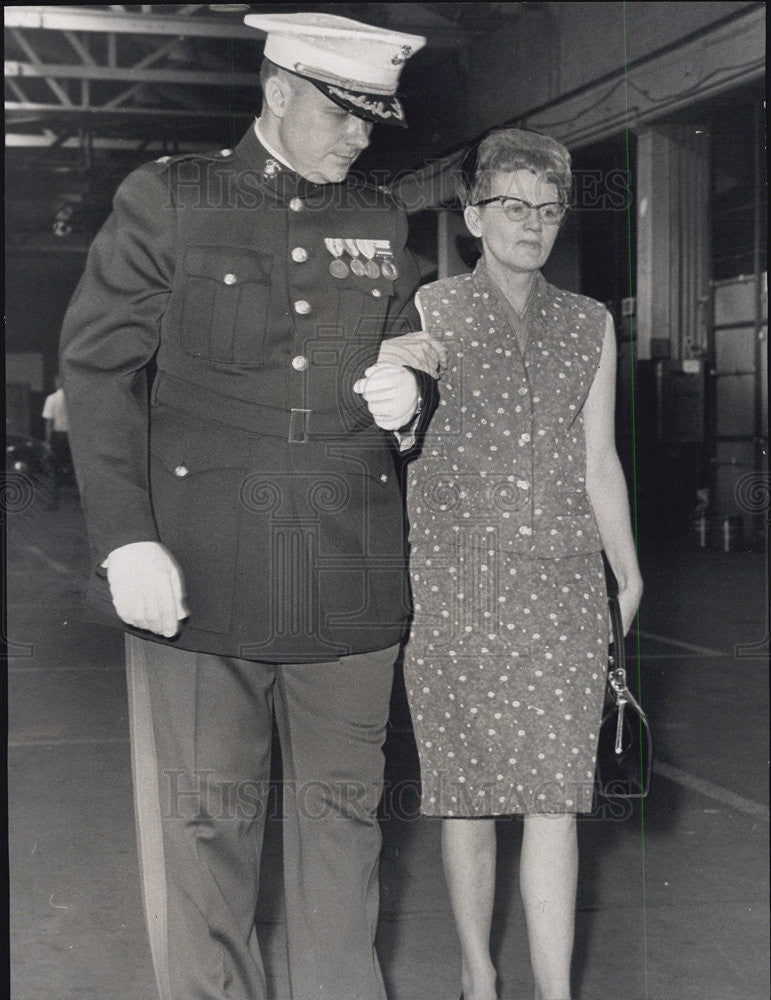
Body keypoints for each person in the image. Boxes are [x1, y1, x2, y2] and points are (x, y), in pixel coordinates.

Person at [59, 13, 441, 1000]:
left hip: (349, 577)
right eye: (343, 114)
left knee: (343, 836)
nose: (360, 138)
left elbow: (402, 339)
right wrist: (128, 536)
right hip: (206, 573)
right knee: (209, 836)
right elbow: (98, 369)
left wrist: (412, 400)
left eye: (371, 121)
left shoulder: (381, 218)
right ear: (278, 92)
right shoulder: (170, 199)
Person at [402, 128, 644, 1000]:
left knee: (555, 796)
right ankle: (477, 975)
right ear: (474, 216)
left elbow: (599, 458)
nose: (531, 226)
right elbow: (395, 426)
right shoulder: (429, 310)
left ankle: (554, 993)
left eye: (547, 211)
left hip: (561, 585)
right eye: (513, 208)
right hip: (455, 585)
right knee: (465, 794)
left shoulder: (589, 323)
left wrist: (628, 568)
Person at [41, 374, 72, 491]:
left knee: (56, 466)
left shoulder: (52, 398)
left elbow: (49, 423)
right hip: (73, 437)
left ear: (58, 382)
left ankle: (55, 496)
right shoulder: (73, 399)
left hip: (58, 436)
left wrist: (47, 441)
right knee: (72, 465)